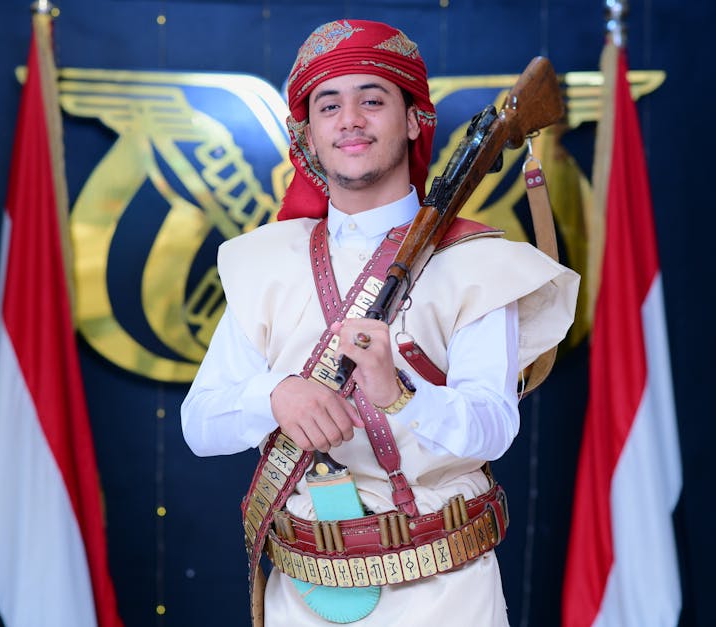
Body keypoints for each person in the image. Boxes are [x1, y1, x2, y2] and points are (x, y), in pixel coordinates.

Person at [181, 18, 578, 627]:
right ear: (308, 135)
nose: (350, 120)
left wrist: (397, 394)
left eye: (373, 99)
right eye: (329, 104)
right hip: (305, 591)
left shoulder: (479, 262)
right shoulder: (261, 261)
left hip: (447, 591)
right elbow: (201, 425)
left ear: (415, 119)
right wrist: (275, 394)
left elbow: (494, 428)